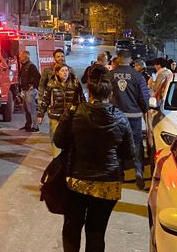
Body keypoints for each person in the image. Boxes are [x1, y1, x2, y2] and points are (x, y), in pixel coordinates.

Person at [54, 66, 135, 252]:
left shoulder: (74, 112)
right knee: (97, 231)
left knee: (72, 228)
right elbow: (129, 153)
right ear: (111, 93)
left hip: (76, 181)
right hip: (108, 184)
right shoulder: (121, 118)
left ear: (88, 91)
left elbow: (58, 141)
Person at [108, 49, 151, 190]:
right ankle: (138, 170)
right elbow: (144, 98)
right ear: (131, 60)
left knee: (117, 144)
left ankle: (120, 175)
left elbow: (104, 95)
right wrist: (144, 110)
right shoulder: (138, 77)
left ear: (118, 60)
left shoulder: (110, 75)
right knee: (137, 143)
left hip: (116, 116)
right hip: (134, 116)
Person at [38, 63, 85, 157]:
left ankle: (69, 157)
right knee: (55, 138)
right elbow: (46, 99)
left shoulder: (75, 82)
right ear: (57, 72)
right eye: (62, 71)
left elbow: (82, 98)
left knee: (71, 138)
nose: (65, 73)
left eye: (66, 71)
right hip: (55, 116)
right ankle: (56, 159)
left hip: (70, 116)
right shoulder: (51, 84)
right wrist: (41, 114)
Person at [18, 51, 42, 132]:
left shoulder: (31, 66)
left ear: (25, 57)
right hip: (25, 91)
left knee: (32, 109)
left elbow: (38, 77)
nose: (19, 57)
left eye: (21, 56)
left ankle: (35, 127)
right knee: (26, 109)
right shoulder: (23, 66)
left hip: (30, 91)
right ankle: (28, 125)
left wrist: (33, 86)